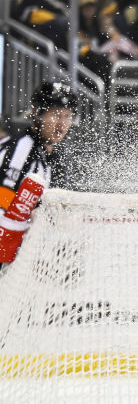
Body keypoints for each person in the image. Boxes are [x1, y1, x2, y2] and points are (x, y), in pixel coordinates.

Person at [0, 82, 77, 267]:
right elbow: (4, 202)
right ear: (37, 114)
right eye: (56, 115)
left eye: (67, 116)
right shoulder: (20, 151)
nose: (62, 123)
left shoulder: (47, 157)